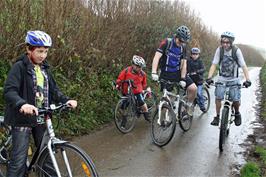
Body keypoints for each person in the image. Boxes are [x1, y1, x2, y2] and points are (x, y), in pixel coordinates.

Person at [3, 30, 77, 177]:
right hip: (22, 119)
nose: (43, 55)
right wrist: (22, 104)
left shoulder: (45, 69)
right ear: (29, 49)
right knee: (18, 162)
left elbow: (54, 91)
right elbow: (10, 91)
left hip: (42, 117)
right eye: (39, 51)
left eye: (46, 52)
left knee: (47, 157)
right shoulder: (19, 67)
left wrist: (66, 100)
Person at [206, 31, 251, 126]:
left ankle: (237, 113)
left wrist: (248, 80)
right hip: (222, 78)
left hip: (234, 79)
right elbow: (214, 64)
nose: (225, 44)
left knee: (235, 99)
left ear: (231, 42)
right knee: (218, 97)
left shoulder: (236, 51)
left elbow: (244, 66)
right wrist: (209, 77)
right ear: (221, 42)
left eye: (227, 42)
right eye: (223, 42)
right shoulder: (220, 50)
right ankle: (217, 117)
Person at [151, 25, 197, 115]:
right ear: (176, 36)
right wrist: (153, 72)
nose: (181, 43)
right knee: (166, 100)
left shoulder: (183, 47)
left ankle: (188, 106)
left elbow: (184, 64)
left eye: (184, 42)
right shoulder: (166, 42)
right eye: (180, 41)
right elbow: (156, 57)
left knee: (193, 88)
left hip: (177, 73)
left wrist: (183, 78)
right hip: (165, 73)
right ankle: (165, 118)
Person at [116, 55, 150, 124]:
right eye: (137, 66)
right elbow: (119, 79)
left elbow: (144, 84)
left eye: (140, 67)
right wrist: (117, 85)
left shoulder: (143, 74)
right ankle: (124, 118)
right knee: (122, 107)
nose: (139, 68)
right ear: (133, 65)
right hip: (126, 91)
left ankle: (147, 115)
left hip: (137, 91)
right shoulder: (126, 71)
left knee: (141, 102)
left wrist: (145, 90)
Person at [187, 47, 206, 113]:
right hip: (191, 81)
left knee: (199, 94)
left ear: (198, 55)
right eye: (193, 54)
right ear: (191, 54)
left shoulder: (200, 61)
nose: (195, 55)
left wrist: (197, 72)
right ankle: (187, 108)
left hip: (199, 81)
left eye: (196, 54)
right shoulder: (188, 61)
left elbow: (203, 69)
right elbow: (185, 68)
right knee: (186, 93)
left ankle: (202, 106)